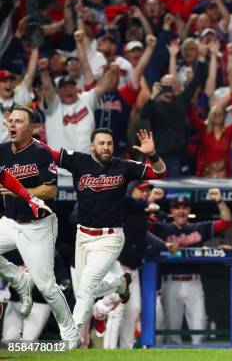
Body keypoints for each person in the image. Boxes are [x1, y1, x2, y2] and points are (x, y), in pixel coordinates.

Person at [39, 128, 167, 337]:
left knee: (87, 287)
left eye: (109, 143)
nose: (106, 147)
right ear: (92, 146)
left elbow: (160, 173)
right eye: (101, 143)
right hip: (83, 236)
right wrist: (29, 140)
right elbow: (50, 154)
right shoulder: (79, 161)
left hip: (110, 237)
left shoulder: (122, 166)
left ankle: (70, 337)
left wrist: (152, 154)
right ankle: (119, 283)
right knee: (83, 292)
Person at [0, 105, 80, 349]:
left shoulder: (41, 152)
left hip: (39, 226)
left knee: (47, 287)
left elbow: (51, 190)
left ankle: (71, 334)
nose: (12, 125)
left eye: (19, 121)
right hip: (11, 222)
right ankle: (18, 280)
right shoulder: (2, 151)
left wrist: (21, 192)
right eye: (10, 120)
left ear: (31, 127)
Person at [91, 181, 171, 349]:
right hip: (116, 262)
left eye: (147, 191)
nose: (145, 193)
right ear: (131, 190)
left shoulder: (140, 211)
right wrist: (149, 201)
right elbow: (128, 203)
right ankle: (108, 345)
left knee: (134, 309)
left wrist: (164, 245)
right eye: (142, 190)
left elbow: (144, 234)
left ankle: (127, 350)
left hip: (133, 265)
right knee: (118, 308)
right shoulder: (123, 204)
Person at [150, 190, 232, 345]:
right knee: (172, 332)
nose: (181, 211)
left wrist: (219, 201)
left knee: (199, 326)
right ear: (171, 211)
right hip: (169, 282)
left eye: (184, 207)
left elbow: (227, 222)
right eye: (177, 207)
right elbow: (142, 225)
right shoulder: (161, 229)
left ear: (189, 210)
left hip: (194, 281)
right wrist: (151, 200)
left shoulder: (199, 228)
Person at [188, 104, 232, 178]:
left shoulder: (229, 131)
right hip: (205, 172)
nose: (217, 117)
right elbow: (192, 118)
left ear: (223, 117)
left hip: (224, 173)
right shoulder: (204, 129)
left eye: (220, 114)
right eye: (214, 114)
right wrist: (190, 102)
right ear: (210, 116)